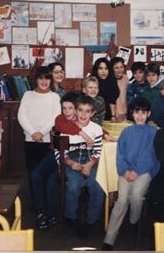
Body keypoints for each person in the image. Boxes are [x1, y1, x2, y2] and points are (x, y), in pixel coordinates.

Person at [102, 98, 159, 250]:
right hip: (126, 171)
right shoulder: (126, 132)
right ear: (132, 114)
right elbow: (120, 154)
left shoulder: (153, 132)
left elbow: (151, 155)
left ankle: (134, 221)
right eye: (137, 112)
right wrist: (125, 171)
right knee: (121, 200)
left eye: (143, 113)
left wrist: (137, 171)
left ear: (149, 114)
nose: (140, 116)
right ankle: (109, 238)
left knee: (136, 196)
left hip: (144, 171)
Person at [30, 92, 88, 230]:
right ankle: (40, 211)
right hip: (55, 154)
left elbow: (95, 129)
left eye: (70, 108)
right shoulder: (60, 119)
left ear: (77, 108)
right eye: (64, 108)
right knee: (35, 174)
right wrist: (81, 132)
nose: (67, 112)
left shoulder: (82, 119)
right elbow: (64, 128)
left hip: (71, 158)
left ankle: (51, 215)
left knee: (51, 181)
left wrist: (105, 134)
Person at [17, 66, 61, 220]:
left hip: (48, 142)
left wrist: (41, 133)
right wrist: (33, 133)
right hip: (30, 141)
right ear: (36, 79)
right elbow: (22, 116)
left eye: (47, 78)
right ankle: (38, 207)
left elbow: (55, 118)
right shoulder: (28, 95)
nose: (44, 81)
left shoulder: (55, 97)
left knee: (47, 177)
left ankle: (49, 209)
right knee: (33, 174)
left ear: (51, 80)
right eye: (41, 78)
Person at [62, 96, 105, 238]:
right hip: (72, 160)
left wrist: (90, 163)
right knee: (73, 185)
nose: (83, 115)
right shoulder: (67, 128)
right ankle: (71, 217)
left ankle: (90, 220)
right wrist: (71, 163)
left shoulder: (97, 129)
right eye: (80, 110)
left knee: (97, 185)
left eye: (87, 111)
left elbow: (98, 150)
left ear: (92, 113)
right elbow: (60, 153)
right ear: (75, 110)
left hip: (89, 160)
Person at [110, 57, 129, 122]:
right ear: (112, 69)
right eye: (116, 68)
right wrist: (113, 115)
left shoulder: (125, 78)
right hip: (114, 114)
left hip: (126, 113)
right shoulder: (110, 81)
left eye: (121, 67)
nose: (119, 70)